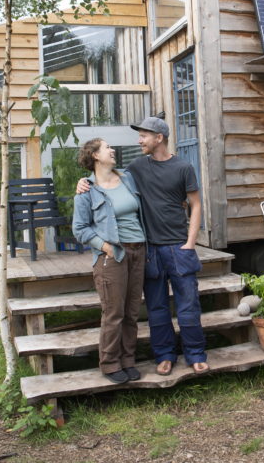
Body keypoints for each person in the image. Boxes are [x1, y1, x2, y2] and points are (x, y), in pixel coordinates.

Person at [78, 116, 209, 375]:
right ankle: (165, 355)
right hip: (149, 250)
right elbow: (107, 176)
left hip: (178, 247)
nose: (139, 140)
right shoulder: (136, 168)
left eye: (144, 136)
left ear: (158, 138)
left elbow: (195, 205)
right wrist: (84, 181)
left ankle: (195, 354)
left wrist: (191, 243)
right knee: (157, 308)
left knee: (188, 306)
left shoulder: (183, 167)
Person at [72, 138, 146, 384]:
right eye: (106, 148)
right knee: (114, 312)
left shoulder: (127, 178)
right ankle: (110, 363)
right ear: (94, 155)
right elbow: (80, 229)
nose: (113, 149)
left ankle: (127, 360)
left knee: (132, 311)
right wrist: (106, 248)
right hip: (112, 255)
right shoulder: (86, 191)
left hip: (138, 251)